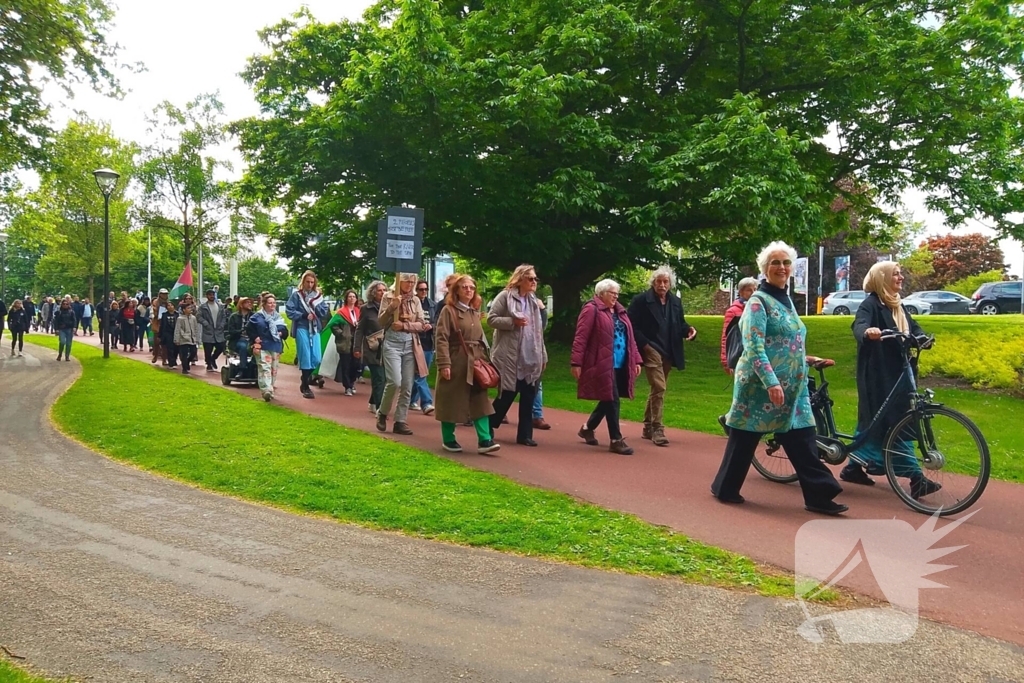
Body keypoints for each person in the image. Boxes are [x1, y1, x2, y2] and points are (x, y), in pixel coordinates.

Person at [712, 241, 847, 515]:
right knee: (745, 438)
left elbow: (786, 341)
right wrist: (771, 381)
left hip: (793, 387)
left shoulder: (786, 300)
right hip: (760, 386)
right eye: (775, 263)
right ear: (764, 269)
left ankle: (819, 496)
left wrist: (806, 359)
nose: (782, 267)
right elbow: (754, 346)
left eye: (786, 263)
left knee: (804, 439)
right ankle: (725, 487)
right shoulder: (757, 302)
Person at [840, 261, 942, 499]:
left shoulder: (897, 305)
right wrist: (868, 333)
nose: (900, 278)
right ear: (882, 278)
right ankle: (916, 478)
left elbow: (913, 327)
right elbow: (859, 325)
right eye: (895, 274)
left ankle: (853, 466)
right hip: (878, 374)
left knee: (877, 421)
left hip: (900, 373)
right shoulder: (871, 304)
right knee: (892, 420)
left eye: (900, 274)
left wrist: (922, 338)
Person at [626, 266, 696, 447]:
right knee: (659, 386)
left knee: (657, 389)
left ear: (670, 284)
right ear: (653, 283)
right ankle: (658, 428)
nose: (662, 285)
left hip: (669, 350)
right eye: (659, 281)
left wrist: (689, 330)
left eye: (665, 282)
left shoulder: (675, 302)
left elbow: (679, 324)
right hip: (650, 349)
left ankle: (647, 426)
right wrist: (645, 345)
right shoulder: (641, 301)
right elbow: (631, 325)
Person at [572, 279, 643, 455]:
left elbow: (630, 337)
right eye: (612, 293)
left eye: (617, 293)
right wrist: (576, 362)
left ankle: (588, 428)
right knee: (613, 399)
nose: (616, 296)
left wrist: (636, 359)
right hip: (601, 361)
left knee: (608, 397)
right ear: (601, 293)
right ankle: (616, 440)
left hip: (621, 361)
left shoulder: (620, 311)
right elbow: (581, 337)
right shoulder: (591, 309)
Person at [434, 274, 500, 454]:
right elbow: (441, 339)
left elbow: (479, 339)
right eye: (464, 287)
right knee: (451, 400)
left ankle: (485, 440)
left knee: (480, 400)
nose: (469, 290)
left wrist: (484, 360)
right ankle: (449, 439)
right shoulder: (449, 311)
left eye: (471, 287)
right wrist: (444, 364)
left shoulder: (473, 312)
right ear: (456, 290)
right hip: (456, 361)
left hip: (475, 362)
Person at [487, 264, 548, 447]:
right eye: (530, 278)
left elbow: (538, 331)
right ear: (519, 279)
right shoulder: (505, 296)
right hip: (510, 356)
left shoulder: (533, 301)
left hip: (531, 355)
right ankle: (488, 424)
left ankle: (525, 435)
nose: (534, 282)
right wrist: (512, 322)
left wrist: (543, 356)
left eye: (536, 278)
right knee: (507, 393)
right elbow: (491, 319)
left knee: (529, 394)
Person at [376, 273, 430, 436]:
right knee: (394, 381)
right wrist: (393, 306)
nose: (411, 284)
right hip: (392, 343)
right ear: (400, 281)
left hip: (410, 344)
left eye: (413, 282)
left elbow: (421, 323)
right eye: (408, 281)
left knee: (407, 384)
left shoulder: (415, 299)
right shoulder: (388, 296)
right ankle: (383, 413)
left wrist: (405, 326)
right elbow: (380, 321)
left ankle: (400, 421)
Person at [286, 270, 330, 398]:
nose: (310, 284)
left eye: (312, 282)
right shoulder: (296, 296)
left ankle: (304, 379)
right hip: (302, 327)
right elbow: (290, 310)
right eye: (307, 282)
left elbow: (324, 311)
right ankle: (306, 386)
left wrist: (316, 310)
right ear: (303, 282)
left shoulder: (318, 296)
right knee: (305, 356)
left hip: (315, 328)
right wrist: (304, 315)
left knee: (316, 357)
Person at [248, 293, 290, 401]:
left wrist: (281, 333)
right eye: (270, 303)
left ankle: (270, 389)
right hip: (262, 346)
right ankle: (266, 390)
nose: (272, 305)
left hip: (275, 346)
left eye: (274, 303)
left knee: (273, 369)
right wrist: (255, 338)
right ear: (264, 304)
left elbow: (285, 332)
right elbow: (250, 330)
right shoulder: (256, 317)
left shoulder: (278, 317)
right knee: (264, 367)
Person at [354, 281, 387, 413]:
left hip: (387, 347)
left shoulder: (389, 307)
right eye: (380, 290)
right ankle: (379, 408)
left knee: (384, 379)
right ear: (373, 293)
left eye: (385, 290)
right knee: (379, 377)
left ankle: (373, 401)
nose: (383, 293)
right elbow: (359, 330)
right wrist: (357, 348)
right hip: (372, 348)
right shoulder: (366, 309)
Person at [325, 289, 361, 396]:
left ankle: (352, 381)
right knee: (345, 364)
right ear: (346, 298)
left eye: (354, 297)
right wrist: (341, 333)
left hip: (356, 341)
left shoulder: (358, 311)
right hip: (345, 342)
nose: (352, 299)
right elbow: (333, 325)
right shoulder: (341, 313)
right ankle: (347, 386)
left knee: (356, 363)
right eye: (350, 297)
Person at [409, 279, 437, 414]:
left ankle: (411, 400)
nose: (423, 292)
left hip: (428, 343)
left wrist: (431, 326)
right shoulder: (412, 303)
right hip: (414, 342)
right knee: (421, 374)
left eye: (425, 289)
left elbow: (438, 322)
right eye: (421, 289)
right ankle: (427, 403)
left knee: (421, 374)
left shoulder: (433, 305)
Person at [199, 288, 228, 371]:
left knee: (221, 346)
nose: (212, 296)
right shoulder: (203, 307)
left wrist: (222, 325)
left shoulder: (220, 306)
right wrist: (205, 323)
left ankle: (213, 358)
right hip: (208, 331)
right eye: (210, 295)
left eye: (213, 294)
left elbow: (224, 317)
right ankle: (208, 364)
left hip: (218, 331)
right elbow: (199, 317)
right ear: (207, 296)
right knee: (208, 350)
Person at [227, 297, 255, 371]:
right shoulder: (234, 316)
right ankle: (242, 369)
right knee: (243, 347)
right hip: (238, 339)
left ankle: (253, 367)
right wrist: (242, 331)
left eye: (251, 303)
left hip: (252, 339)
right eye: (247, 302)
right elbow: (231, 331)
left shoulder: (254, 316)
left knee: (260, 348)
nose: (250, 304)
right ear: (241, 305)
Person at [174, 301, 201, 374]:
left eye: (190, 308)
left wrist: (197, 338)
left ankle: (187, 362)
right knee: (184, 354)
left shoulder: (193, 318)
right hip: (184, 339)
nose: (190, 309)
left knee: (193, 352)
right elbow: (177, 329)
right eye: (188, 308)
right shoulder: (180, 318)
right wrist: (176, 339)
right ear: (184, 310)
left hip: (192, 339)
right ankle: (184, 368)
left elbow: (196, 328)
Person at [150, 289, 170, 364]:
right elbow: (153, 311)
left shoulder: (168, 303)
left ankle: (164, 359)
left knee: (164, 343)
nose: (165, 295)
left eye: (166, 294)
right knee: (156, 342)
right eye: (163, 294)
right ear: (160, 294)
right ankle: (155, 355)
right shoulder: (156, 302)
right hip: (157, 323)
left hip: (165, 324)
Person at [160, 302, 180, 368]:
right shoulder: (164, 315)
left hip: (176, 333)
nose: (170, 306)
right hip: (168, 333)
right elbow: (162, 326)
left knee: (176, 348)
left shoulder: (177, 315)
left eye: (172, 305)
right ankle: (172, 363)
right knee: (170, 348)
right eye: (168, 305)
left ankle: (174, 359)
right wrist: (160, 335)